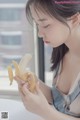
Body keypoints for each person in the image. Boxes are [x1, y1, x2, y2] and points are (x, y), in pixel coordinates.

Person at [14, 0, 80, 120]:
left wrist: (46, 112)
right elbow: (60, 102)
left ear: (74, 19)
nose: (39, 33)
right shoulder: (62, 51)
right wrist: (35, 83)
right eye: (37, 24)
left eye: (46, 25)